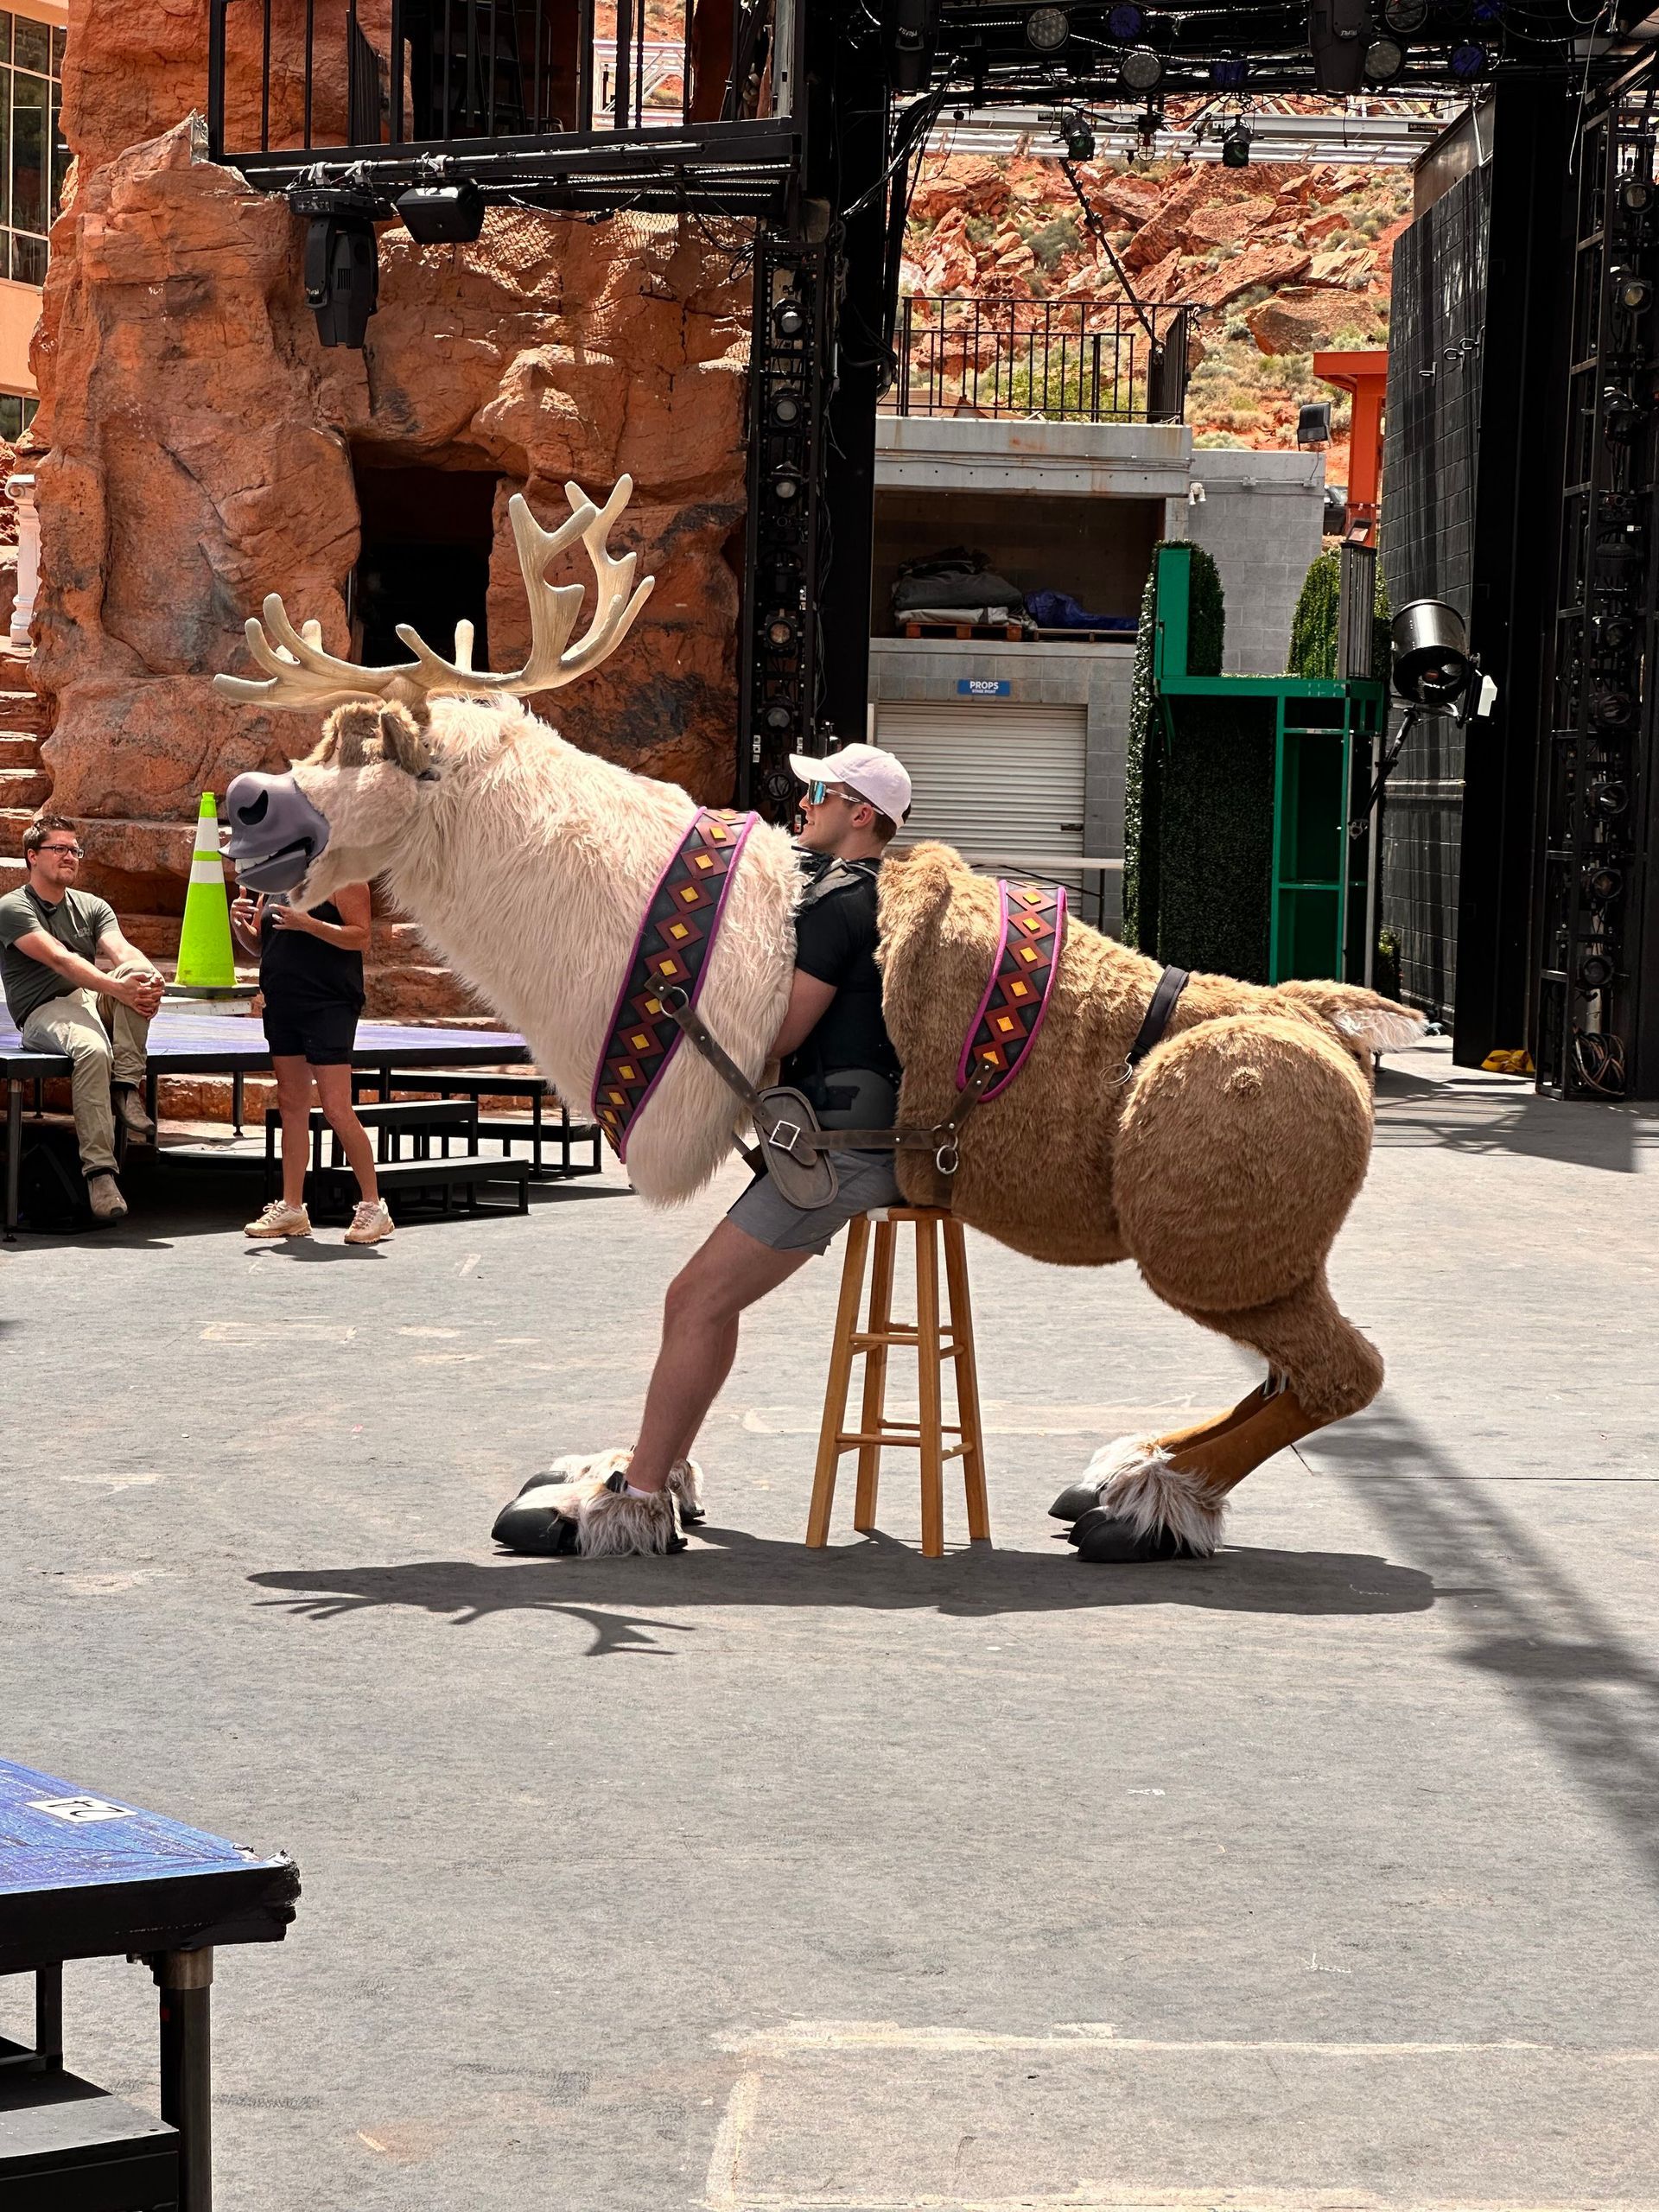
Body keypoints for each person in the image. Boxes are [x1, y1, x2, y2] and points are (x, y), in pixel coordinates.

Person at [615, 742, 913, 1508]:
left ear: (861, 814)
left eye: (819, 787)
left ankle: (643, 1493)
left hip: (838, 1152)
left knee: (696, 1300)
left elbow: (778, 1036)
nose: (802, 798)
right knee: (705, 1301)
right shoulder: (881, 896)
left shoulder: (841, 902)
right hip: (861, 1140)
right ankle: (667, 1470)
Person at [0, 812, 164, 1224]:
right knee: (91, 1048)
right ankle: (100, 1175)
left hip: (91, 999)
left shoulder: (92, 905)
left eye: (75, 850)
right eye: (59, 849)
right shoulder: (12, 908)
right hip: (44, 1010)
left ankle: (125, 1086)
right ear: (32, 857)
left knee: (138, 972)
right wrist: (119, 989)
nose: (70, 856)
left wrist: (149, 979)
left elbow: (122, 952)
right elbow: (61, 960)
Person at [231, 881, 394, 1246]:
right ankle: (291, 1207)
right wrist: (240, 926)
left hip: (329, 1004)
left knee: (336, 1106)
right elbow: (261, 946)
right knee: (291, 1104)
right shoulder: (271, 879)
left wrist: (310, 924)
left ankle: (373, 1205)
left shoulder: (342, 875)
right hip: (283, 1001)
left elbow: (360, 937)